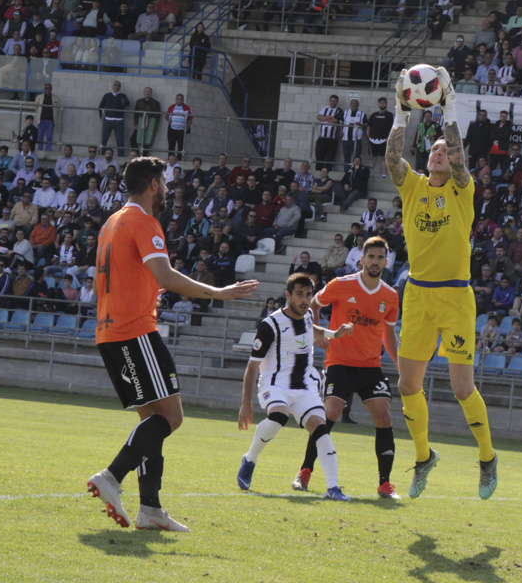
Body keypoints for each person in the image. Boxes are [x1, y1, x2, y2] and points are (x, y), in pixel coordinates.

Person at [87, 156, 258, 533]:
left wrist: (150, 292)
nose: (168, 189)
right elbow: (164, 273)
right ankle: (111, 477)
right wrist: (219, 292)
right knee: (172, 417)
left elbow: (126, 276)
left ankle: (150, 510)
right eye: (164, 182)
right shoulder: (144, 221)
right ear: (153, 184)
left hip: (109, 331)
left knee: (152, 421)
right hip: (134, 332)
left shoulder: (112, 222)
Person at [385, 67, 498, 500]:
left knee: (461, 387)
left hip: (454, 295)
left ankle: (487, 458)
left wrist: (448, 107)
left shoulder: (462, 190)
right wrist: (400, 112)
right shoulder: (412, 187)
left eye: (443, 151)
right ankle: (423, 457)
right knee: (407, 385)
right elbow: (393, 160)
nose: (437, 154)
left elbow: (459, 155)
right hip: (416, 294)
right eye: (432, 150)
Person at [291, 237, 400, 498]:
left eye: (379, 258)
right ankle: (305, 471)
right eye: (370, 257)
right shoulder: (341, 284)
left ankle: (385, 484)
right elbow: (314, 304)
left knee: (384, 416)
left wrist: (400, 364)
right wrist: (319, 333)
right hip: (339, 362)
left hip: (370, 366)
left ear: (386, 261)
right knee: (331, 411)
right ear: (361, 259)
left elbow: (388, 334)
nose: (375, 262)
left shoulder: (390, 295)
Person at [236, 273, 353, 500]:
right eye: (299, 294)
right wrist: (245, 404)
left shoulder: (307, 314)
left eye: (308, 294)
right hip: (276, 384)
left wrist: (334, 334)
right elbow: (252, 365)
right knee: (279, 417)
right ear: (288, 295)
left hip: (305, 386)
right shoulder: (270, 325)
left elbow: (312, 330)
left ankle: (333, 488)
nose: (305, 299)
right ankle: (250, 458)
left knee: (320, 429)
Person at [97, 81, 129, 151]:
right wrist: (101, 117)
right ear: (112, 86)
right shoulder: (107, 95)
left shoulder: (123, 96)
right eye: (115, 85)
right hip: (108, 120)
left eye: (118, 86)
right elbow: (101, 106)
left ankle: (121, 156)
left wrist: (124, 102)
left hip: (119, 121)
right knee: (104, 139)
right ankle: (102, 154)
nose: (116, 87)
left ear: (120, 87)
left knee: (120, 140)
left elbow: (127, 104)